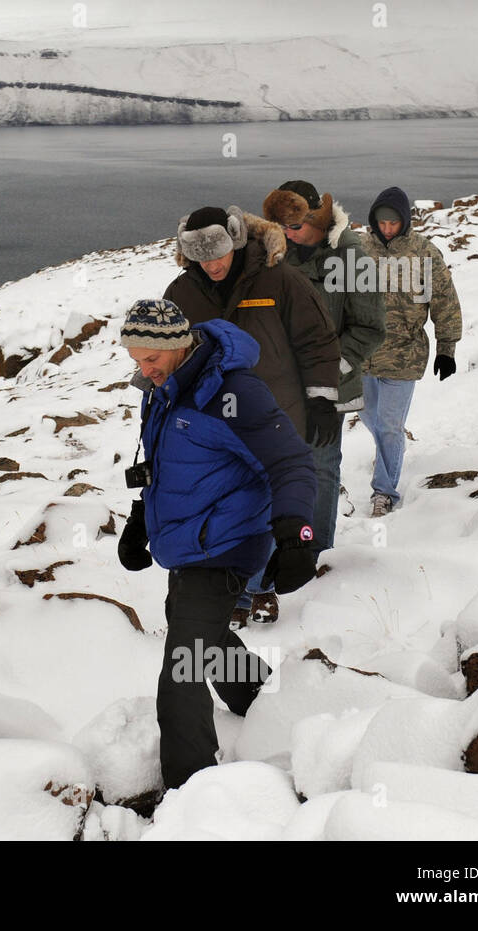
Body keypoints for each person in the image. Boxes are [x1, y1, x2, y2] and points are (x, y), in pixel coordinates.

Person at [115, 298, 317, 791]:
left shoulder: (233, 392)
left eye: (152, 360)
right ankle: (263, 700)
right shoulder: (164, 389)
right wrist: (143, 518)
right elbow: (171, 465)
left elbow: (291, 460)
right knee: (198, 631)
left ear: (180, 345)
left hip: (227, 542)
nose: (144, 371)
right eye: (136, 360)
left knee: (180, 671)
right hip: (191, 541)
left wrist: (297, 534)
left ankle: (191, 791)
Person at [164, 205, 339, 626]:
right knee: (228, 503)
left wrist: (321, 399)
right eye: (201, 257)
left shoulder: (279, 279)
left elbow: (316, 339)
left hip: (275, 410)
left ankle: (257, 590)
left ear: (236, 240)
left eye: (219, 253)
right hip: (212, 422)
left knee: (265, 502)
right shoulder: (181, 292)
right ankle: (234, 589)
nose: (213, 265)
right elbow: (170, 356)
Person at [263, 180, 385, 555]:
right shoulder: (274, 255)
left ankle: (313, 553)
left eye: (295, 227)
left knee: (320, 467)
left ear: (318, 218)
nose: (287, 234)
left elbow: (369, 329)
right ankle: (274, 552)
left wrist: (328, 371)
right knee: (273, 469)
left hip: (332, 386)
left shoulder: (353, 259)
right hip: (278, 387)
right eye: (282, 227)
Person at [358, 187, 464, 517]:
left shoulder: (424, 254)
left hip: (404, 356)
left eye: (393, 222)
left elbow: (445, 301)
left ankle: (383, 492)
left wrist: (446, 348)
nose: (387, 228)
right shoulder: (358, 250)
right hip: (362, 357)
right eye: (381, 222)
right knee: (371, 419)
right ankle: (390, 452)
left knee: (388, 426)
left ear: (405, 221)